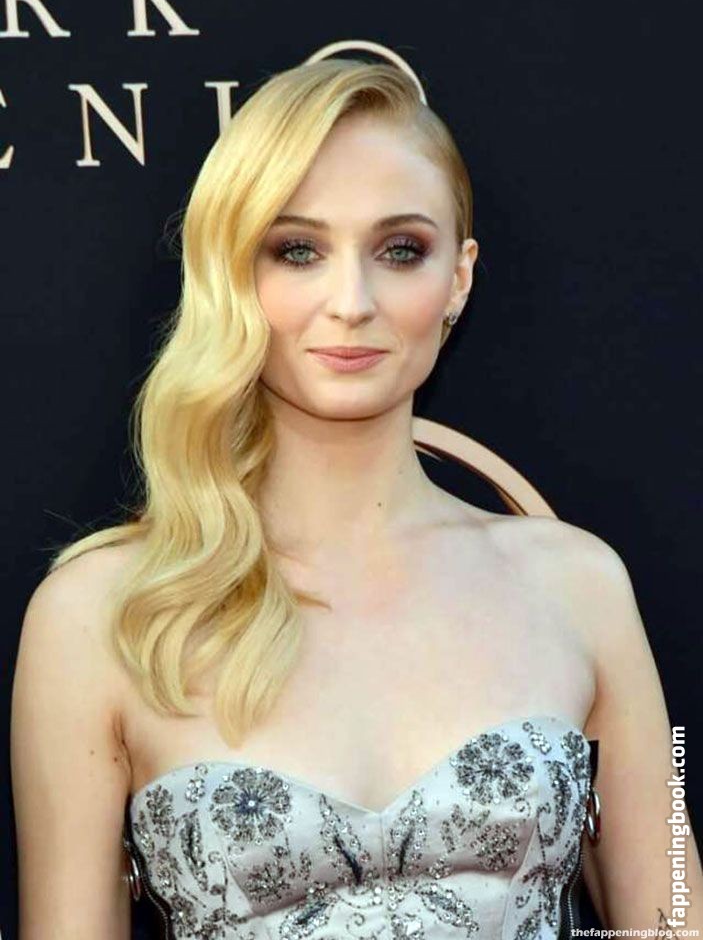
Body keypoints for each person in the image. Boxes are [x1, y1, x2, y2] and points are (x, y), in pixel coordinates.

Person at [10, 56, 702, 939]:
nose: (351, 302)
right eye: (296, 250)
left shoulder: (578, 586)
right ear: (230, 274)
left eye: (399, 250)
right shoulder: (102, 613)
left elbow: (674, 917)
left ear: (458, 278)